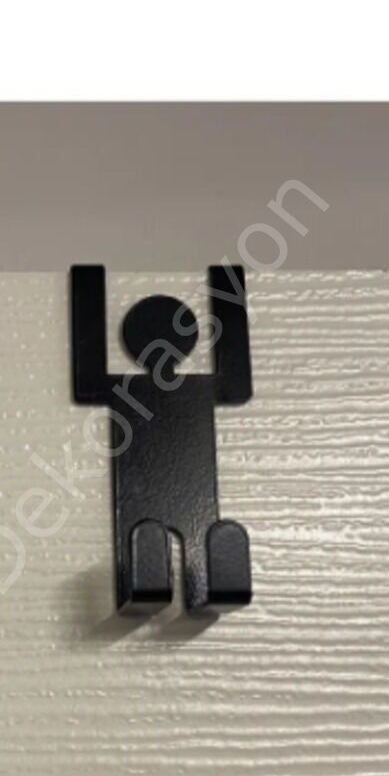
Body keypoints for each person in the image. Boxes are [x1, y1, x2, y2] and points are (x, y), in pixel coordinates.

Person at [70, 264, 252, 615]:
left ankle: (184, 588)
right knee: (159, 542)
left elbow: (88, 378)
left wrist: (89, 287)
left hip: (173, 491)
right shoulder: (201, 386)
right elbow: (236, 381)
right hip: (156, 492)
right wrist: (226, 288)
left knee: (162, 540)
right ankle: (171, 588)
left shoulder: (127, 388)